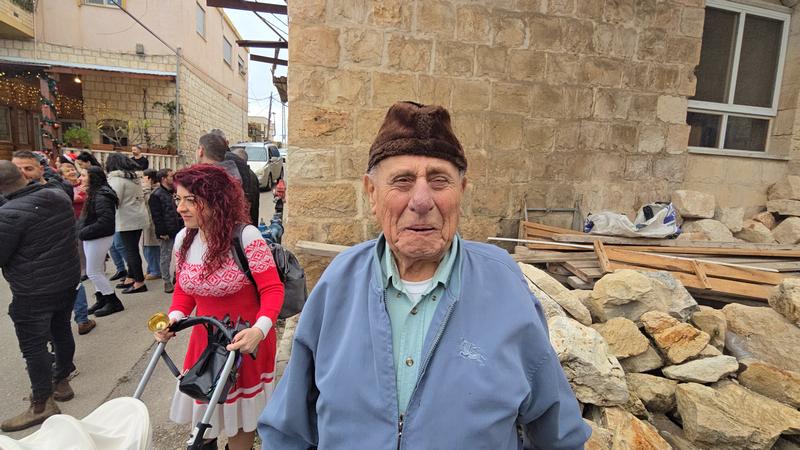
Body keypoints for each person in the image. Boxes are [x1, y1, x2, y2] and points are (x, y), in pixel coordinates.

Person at [258, 102, 590, 449]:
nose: (421, 201)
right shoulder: (338, 282)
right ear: (372, 193)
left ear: (461, 191)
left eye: (439, 180)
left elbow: (558, 435)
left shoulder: (505, 287)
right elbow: (287, 432)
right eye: (402, 181)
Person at [154, 164, 284, 450]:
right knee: (205, 418)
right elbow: (184, 291)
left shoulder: (246, 237)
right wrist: (173, 319)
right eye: (178, 199)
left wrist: (259, 331)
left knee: (241, 422)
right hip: (205, 341)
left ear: (216, 200)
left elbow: (272, 290)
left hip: (244, 341)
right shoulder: (184, 239)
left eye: (191, 200)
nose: (180, 208)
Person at [0, 161, 79, 432]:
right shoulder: (57, 196)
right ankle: (61, 381)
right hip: (65, 281)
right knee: (61, 331)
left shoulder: (9, 213)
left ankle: (41, 403)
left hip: (33, 290)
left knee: (34, 347)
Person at [79, 166, 125, 317]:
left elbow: (105, 222)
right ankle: (102, 299)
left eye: (83, 175)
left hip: (98, 237)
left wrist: (83, 232)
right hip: (93, 236)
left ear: (92, 177)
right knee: (97, 271)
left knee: (93, 272)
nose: (80, 178)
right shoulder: (96, 193)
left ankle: (113, 301)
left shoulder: (101, 195)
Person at [60, 161, 96, 334]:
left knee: (75, 279)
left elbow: (81, 199)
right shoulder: (60, 190)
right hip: (73, 228)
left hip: (78, 226)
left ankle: (82, 319)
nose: (71, 172)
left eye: (72, 169)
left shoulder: (71, 188)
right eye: (67, 170)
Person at [105, 153, 148, 294]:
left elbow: (114, 199)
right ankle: (131, 277)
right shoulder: (133, 177)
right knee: (131, 249)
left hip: (126, 218)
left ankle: (139, 282)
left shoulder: (116, 179)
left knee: (130, 250)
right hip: (138, 215)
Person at [200, 131, 260, 225]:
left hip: (220, 225)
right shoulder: (237, 166)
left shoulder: (209, 173)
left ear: (201, 150)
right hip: (243, 222)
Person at [148, 168, 182, 293]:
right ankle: (166, 281)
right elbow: (156, 216)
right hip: (166, 230)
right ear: (163, 179)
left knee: (181, 255)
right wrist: (162, 231)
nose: (174, 178)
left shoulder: (175, 191)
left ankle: (177, 277)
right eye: (171, 176)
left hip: (178, 228)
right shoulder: (156, 195)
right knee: (166, 256)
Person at [142, 169, 162, 281]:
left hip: (152, 222)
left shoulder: (154, 191)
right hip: (147, 221)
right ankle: (151, 269)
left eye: (143, 177)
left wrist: (145, 188)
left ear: (149, 178)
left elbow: (148, 202)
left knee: (151, 248)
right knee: (147, 247)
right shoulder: (151, 189)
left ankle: (155, 270)